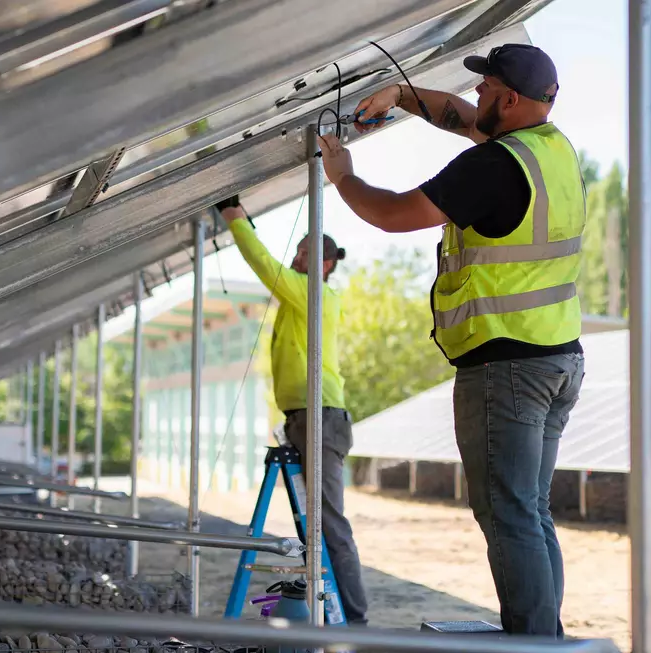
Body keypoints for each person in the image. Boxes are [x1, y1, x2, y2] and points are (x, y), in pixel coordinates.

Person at [315, 44, 586, 638]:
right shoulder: (552, 149)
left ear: (510, 100)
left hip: (506, 364)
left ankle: (536, 645)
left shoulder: (491, 167)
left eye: (487, 88)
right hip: (557, 357)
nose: (477, 98)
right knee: (530, 511)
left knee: (509, 516)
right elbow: (459, 117)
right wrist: (400, 95)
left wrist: (343, 177)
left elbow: (391, 214)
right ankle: (546, 637)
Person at [215, 196, 369, 626]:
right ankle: (333, 609)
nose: (297, 259)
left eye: (306, 254)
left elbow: (265, 265)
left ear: (325, 265)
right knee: (318, 523)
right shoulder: (299, 297)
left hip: (320, 417)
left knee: (330, 525)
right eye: (297, 252)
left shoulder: (313, 295)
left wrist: (235, 218)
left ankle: (354, 620)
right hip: (306, 417)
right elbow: (275, 268)